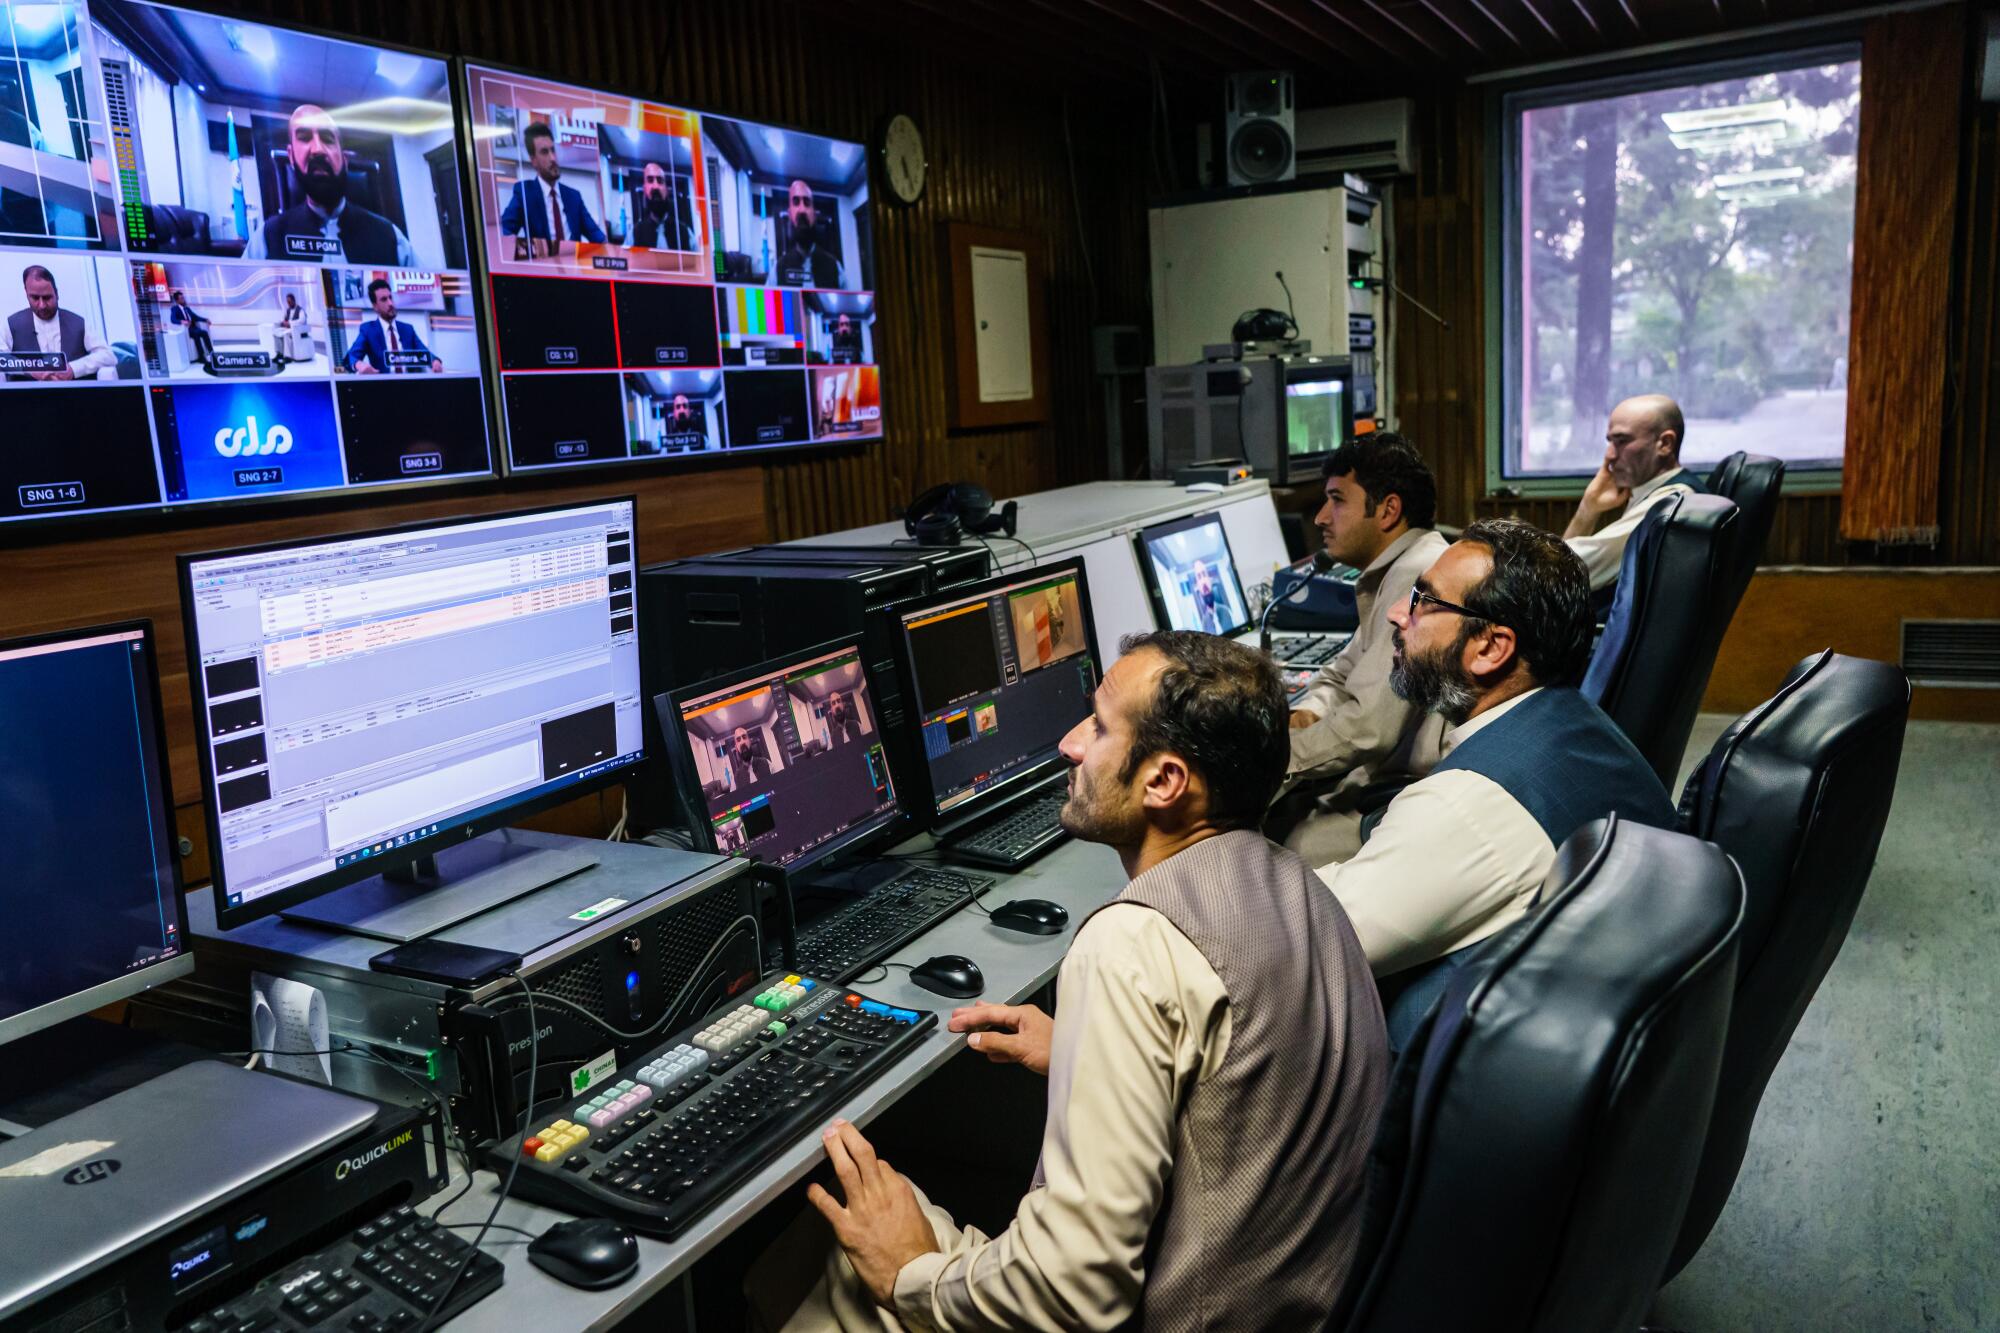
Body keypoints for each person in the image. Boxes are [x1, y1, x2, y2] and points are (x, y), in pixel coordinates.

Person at [752, 631, 1389, 1332]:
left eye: (1098, 727)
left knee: (839, 1249)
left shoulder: (1131, 944)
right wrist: (1094, 1054)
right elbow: (1259, 1078)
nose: (1068, 743)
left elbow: (1076, 1293)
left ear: (1164, 781)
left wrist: (912, 1277)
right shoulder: (1300, 886)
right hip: (1292, 1302)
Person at [1312, 517, 1676, 1050]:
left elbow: (1298, 944)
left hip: (1436, 1101)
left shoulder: (1469, 805)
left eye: (1423, 601)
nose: (1397, 614)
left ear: (1489, 648)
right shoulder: (1576, 724)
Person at [1269, 433, 1450, 865]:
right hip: (1391, 777)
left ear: (1387, 510)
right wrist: (1310, 711)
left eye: (1336, 500)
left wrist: (1273, 758)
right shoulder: (1397, 571)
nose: (1320, 518)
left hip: (1416, 790)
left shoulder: (1417, 578)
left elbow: (1369, 728)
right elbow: (1340, 672)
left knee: (1288, 845)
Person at [1562, 394, 1706, 592]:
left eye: (1622, 441)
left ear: (1665, 444)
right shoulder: (1653, 493)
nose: (1610, 455)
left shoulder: (1670, 503)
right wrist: (1589, 507)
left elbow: (1561, 575)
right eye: (1610, 441)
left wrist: (1585, 512)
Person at [247, 105, 417, 266]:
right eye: (305, 138)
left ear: (344, 160)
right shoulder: (265, 239)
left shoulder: (391, 237)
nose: (318, 149)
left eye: (327, 139)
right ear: (291, 156)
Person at [499, 121, 605, 256]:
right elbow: (504, 232)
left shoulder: (574, 197)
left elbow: (597, 236)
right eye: (544, 152)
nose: (553, 158)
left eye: (553, 150)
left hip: (575, 270)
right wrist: (535, 250)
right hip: (543, 271)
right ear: (533, 161)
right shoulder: (524, 192)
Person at [3, 265, 113, 381]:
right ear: (26, 293)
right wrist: (30, 369)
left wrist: (73, 369)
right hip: (28, 396)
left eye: (47, 298)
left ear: (57, 294)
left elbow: (107, 355)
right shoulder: (11, 324)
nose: (42, 305)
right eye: (35, 298)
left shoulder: (79, 323)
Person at [344, 279, 441, 375]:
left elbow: (424, 352)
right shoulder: (368, 330)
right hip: (384, 386)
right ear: (375, 306)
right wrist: (358, 364)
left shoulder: (407, 329)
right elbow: (350, 357)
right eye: (384, 299)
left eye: (390, 298)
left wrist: (434, 362)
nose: (390, 303)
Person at [775, 179, 842, 289]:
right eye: (796, 202)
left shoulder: (836, 267)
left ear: (814, 215)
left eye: (807, 202)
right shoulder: (777, 269)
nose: (802, 210)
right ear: (790, 213)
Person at [630, 160, 691, 250]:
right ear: (644, 188)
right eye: (650, 180)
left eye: (660, 181)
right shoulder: (634, 234)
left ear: (666, 189)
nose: (656, 186)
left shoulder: (685, 232)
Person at [167, 289, 214, 367]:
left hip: (193, 328)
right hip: (186, 330)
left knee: (204, 332)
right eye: (181, 298)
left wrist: (205, 319)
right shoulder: (174, 309)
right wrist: (182, 321)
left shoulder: (187, 308)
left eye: (183, 298)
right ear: (177, 300)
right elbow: (173, 319)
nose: (183, 299)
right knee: (196, 334)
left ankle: (212, 353)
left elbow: (195, 317)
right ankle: (201, 357)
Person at [1189, 557, 1222, 634]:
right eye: (1199, 576)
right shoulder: (1204, 624)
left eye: (1204, 574)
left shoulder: (1227, 612)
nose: (1203, 581)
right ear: (1197, 586)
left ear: (1210, 580)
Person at [275, 292, 306, 363]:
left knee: (286, 335)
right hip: (288, 328)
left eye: (289, 302)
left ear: (293, 301)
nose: (288, 303)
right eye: (287, 302)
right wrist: (283, 322)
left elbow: (302, 320)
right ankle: (279, 354)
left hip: (296, 330)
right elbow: (284, 319)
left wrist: (290, 323)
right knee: (276, 333)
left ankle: (288, 357)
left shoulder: (300, 310)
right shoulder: (287, 310)